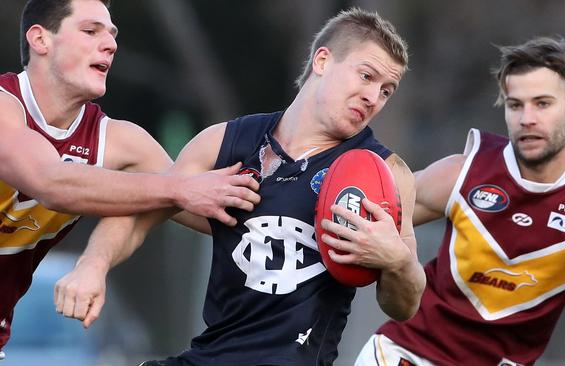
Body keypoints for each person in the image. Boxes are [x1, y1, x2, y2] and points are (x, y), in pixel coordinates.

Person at [53, 7, 426, 366]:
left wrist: (398, 261)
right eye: (366, 76)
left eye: (386, 90)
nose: (373, 97)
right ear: (323, 61)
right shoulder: (226, 142)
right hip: (209, 354)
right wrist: (92, 265)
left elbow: (403, 305)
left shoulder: (385, 173)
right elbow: (149, 204)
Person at [355, 37, 565, 366]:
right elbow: (369, 214)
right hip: (406, 354)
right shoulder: (463, 172)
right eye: (515, 105)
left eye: (542, 103)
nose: (527, 118)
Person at [0, 0, 259, 359]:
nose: (110, 43)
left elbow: (211, 212)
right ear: (40, 39)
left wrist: (322, 207)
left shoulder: (123, 143)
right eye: (91, 31)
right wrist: (180, 187)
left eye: (111, 34)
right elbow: (52, 181)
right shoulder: (4, 109)